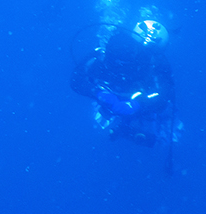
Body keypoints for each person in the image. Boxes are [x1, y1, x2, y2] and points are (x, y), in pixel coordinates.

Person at [71, 17, 179, 147]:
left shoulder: (155, 64)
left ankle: (127, 131)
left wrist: (138, 103)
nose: (123, 64)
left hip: (141, 104)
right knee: (98, 130)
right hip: (107, 101)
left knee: (166, 138)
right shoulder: (104, 54)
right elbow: (77, 79)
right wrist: (98, 93)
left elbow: (163, 96)